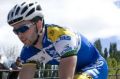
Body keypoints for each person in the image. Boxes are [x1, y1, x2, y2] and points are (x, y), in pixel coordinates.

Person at [7, 1, 108, 79]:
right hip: (76, 71)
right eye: (16, 31)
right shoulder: (27, 51)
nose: (19, 35)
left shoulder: (62, 37)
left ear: (38, 24)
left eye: (23, 29)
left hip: (94, 65)